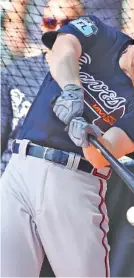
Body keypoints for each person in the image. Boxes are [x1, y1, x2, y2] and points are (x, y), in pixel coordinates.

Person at [1, 13, 134, 277]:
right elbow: (63, 49)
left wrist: (89, 137)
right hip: (21, 167)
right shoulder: (98, 33)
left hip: (74, 182)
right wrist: (72, 90)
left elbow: (102, 156)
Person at [1, 0, 84, 175]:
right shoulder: (15, 72)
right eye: (51, 22)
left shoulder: (93, 80)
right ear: (42, 25)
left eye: (68, 23)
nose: (59, 29)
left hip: (60, 179)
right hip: (11, 173)